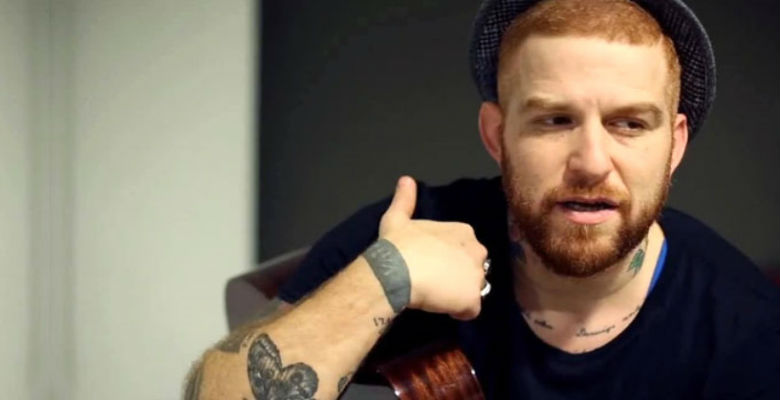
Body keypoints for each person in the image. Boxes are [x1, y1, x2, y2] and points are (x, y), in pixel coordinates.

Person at [185, 0, 779, 398]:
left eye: (629, 124)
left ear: (674, 145)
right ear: (497, 136)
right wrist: (384, 279)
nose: (592, 161)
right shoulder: (415, 232)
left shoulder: (745, 329)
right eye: (554, 120)